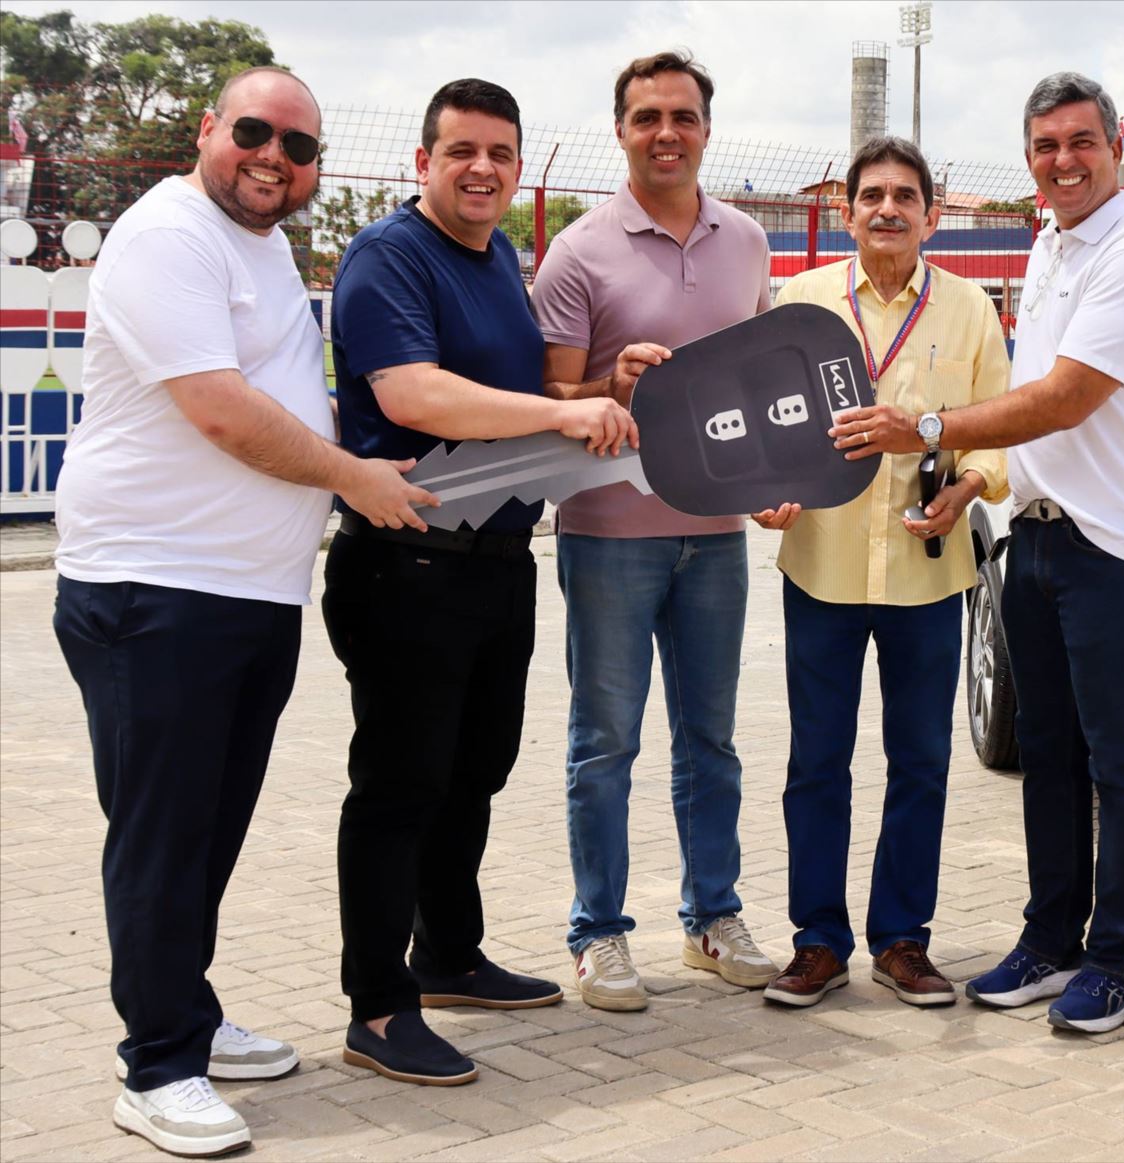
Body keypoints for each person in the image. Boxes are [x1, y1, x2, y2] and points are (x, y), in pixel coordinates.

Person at [52, 66, 436, 1155]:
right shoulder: (166, 233)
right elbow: (219, 409)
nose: (275, 160)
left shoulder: (260, 243)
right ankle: (157, 1064)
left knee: (205, 832)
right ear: (207, 130)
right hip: (152, 587)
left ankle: (189, 1012)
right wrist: (354, 476)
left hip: (244, 592)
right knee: (164, 836)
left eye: (299, 148)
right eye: (256, 134)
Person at [829, 73, 1124, 1035]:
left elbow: (1067, 396)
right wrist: (978, 481)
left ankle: (1118, 960)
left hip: (1119, 548)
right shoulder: (1050, 242)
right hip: (1036, 537)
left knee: (1118, 759)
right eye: (1044, 147)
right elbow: (1032, 407)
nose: (1062, 161)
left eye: (1079, 142)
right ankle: (1049, 939)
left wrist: (927, 427)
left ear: (1114, 147)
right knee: (1047, 754)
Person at [326, 78, 637, 1085]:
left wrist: (599, 392)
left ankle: (448, 953)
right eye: (462, 150)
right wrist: (555, 416)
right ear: (423, 161)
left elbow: (523, 400)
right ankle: (376, 1006)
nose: (483, 169)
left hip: (495, 564)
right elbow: (411, 391)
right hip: (407, 561)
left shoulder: (498, 255)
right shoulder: (389, 255)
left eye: (500, 153)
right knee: (398, 785)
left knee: (473, 771)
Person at [530, 50, 777, 1010]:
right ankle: (599, 934)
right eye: (645, 117)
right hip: (607, 532)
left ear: (706, 130)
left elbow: (760, 392)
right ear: (621, 130)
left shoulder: (748, 242)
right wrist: (608, 385)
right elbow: (548, 397)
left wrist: (767, 486)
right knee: (606, 743)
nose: (665, 132)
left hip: (715, 534)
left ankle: (712, 918)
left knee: (710, 741)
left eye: (681, 115)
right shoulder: (579, 250)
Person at [753, 135, 1009, 1009]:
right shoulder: (804, 299)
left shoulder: (971, 309)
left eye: (905, 195)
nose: (888, 209)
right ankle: (816, 942)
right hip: (820, 565)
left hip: (926, 574)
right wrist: (770, 492)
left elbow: (993, 435)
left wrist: (965, 485)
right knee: (815, 762)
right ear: (848, 210)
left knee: (922, 761)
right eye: (872, 195)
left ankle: (903, 938)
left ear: (931, 214)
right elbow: (767, 427)